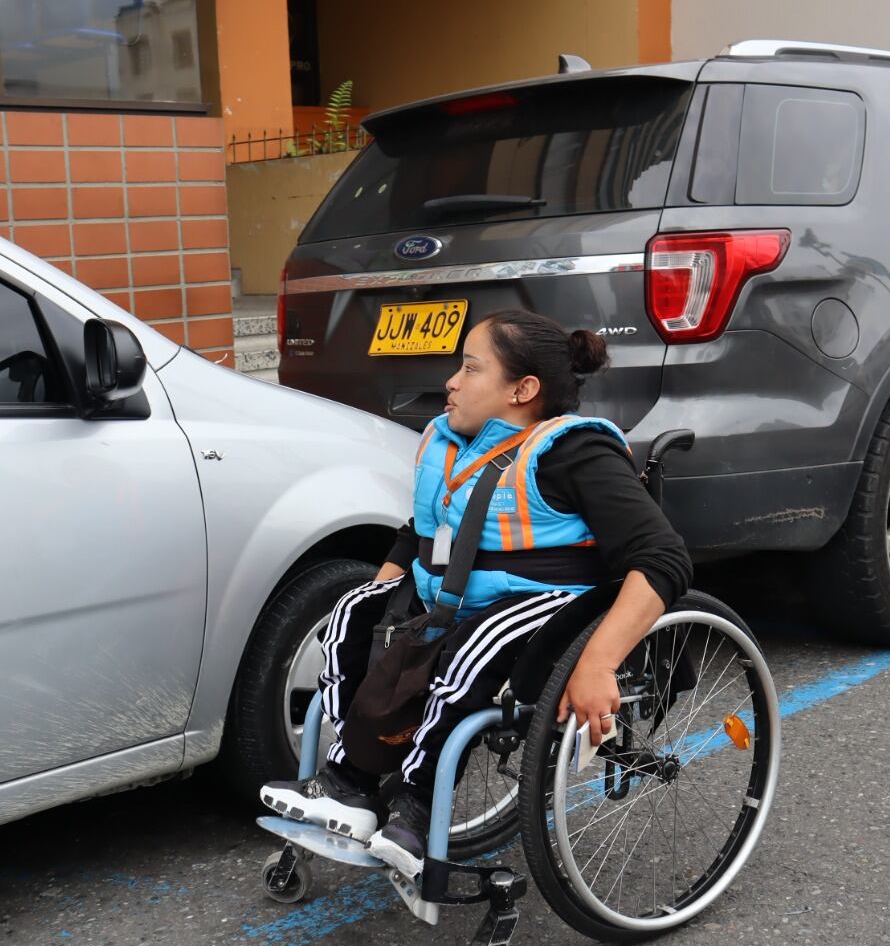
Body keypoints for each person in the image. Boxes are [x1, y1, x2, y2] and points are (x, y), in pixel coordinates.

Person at [260, 309, 692, 878]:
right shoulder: (448, 443)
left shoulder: (574, 451)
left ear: (523, 390)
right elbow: (418, 533)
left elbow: (663, 559)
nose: (451, 382)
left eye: (470, 368)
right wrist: (384, 607)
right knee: (349, 615)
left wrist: (599, 663)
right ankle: (352, 782)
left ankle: (414, 807)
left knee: (477, 645)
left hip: (546, 607)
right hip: (452, 598)